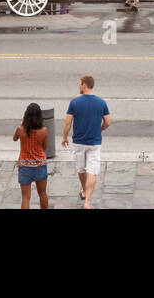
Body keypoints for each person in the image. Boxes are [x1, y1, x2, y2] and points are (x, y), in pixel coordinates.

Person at [62, 74, 110, 209]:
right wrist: (99, 130)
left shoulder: (75, 102)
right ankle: (87, 202)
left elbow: (67, 122)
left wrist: (64, 137)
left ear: (84, 85)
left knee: (81, 169)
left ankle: (84, 190)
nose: (79, 86)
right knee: (92, 171)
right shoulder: (101, 103)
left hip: (78, 142)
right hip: (94, 142)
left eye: (79, 83)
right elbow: (107, 122)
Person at [13, 102, 49, 209]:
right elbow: (45, 147)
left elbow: (14, 138)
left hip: (25, 165)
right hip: (40, 165)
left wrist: (22, 124)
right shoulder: (43, 131)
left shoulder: (20, 129)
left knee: (25, 197)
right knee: (42, 194)